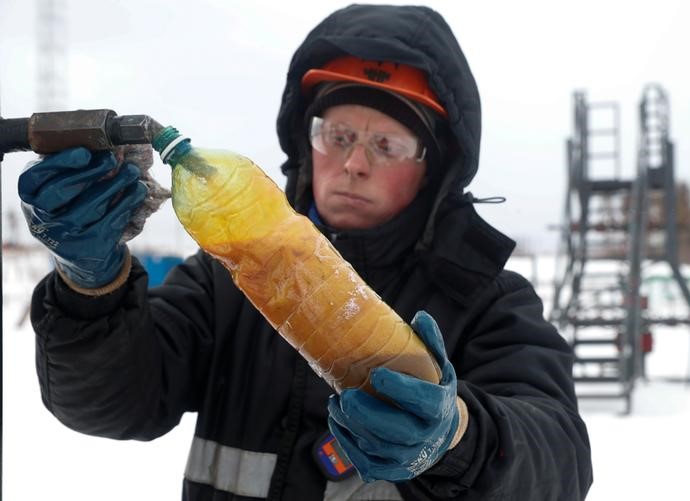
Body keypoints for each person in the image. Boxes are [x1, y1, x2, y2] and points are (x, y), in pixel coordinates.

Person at [18, 4, 592, 500]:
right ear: (305, 141)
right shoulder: (227, 278)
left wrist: (459, 437)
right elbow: (113, 401)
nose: (354, 163)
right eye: (337, 135)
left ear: (434, 167)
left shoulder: (487, 299)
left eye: (387, 144)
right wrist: (90, 286)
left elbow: (557, 465)